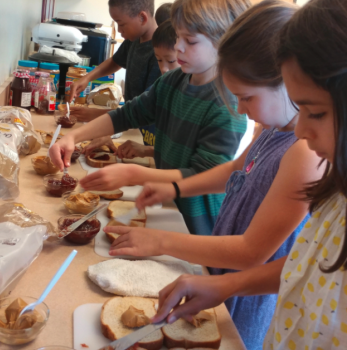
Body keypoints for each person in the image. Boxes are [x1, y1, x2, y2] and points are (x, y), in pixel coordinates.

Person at [104, 1, 323, 349]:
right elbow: (235, 170)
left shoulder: (303, 152)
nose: (239, 109)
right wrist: (174, 189)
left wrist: (160, 241)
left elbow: (252, 252)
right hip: (222, 274)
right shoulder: (273, 129)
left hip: (247, 292)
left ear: (285, 82)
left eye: (246, 97)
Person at [49, 0, 252, 236]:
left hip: (196, 223)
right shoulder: (172, 81)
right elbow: (129, 113)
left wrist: (136, 174)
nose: (179, 47)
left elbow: (205, 175)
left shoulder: (227, 105)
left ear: (225, 44)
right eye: (178, 37)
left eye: (191, 41)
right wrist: (73, 136)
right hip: (165, 202)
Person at [68, 0, 161, 123]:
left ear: (142, 18)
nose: (119, 30)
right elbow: (115, 61)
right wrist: (86, 78)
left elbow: (146, 109)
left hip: (143, 131)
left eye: (121, 24)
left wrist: (98, 115)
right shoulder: (134, 39)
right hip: (129, 122)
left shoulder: (160, 54)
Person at [116, 19, 180, 160]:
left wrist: (146, 152)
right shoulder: (163, 86)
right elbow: (128, 114)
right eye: (158, 59)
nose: (163, 68)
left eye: (170, 61)